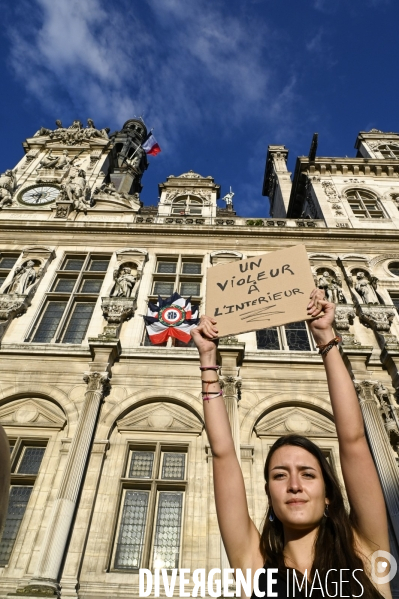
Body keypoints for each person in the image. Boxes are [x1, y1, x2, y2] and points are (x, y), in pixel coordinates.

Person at [191, 288, 392, 599]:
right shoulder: (254, 569)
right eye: (280, 475)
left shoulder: (365, 554)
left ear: (328, 495)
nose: (294, 485)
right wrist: (207, 359)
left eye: (308, 474)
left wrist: (325, 337)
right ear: (270, 495)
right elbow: (223, 454)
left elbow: (353, 440)